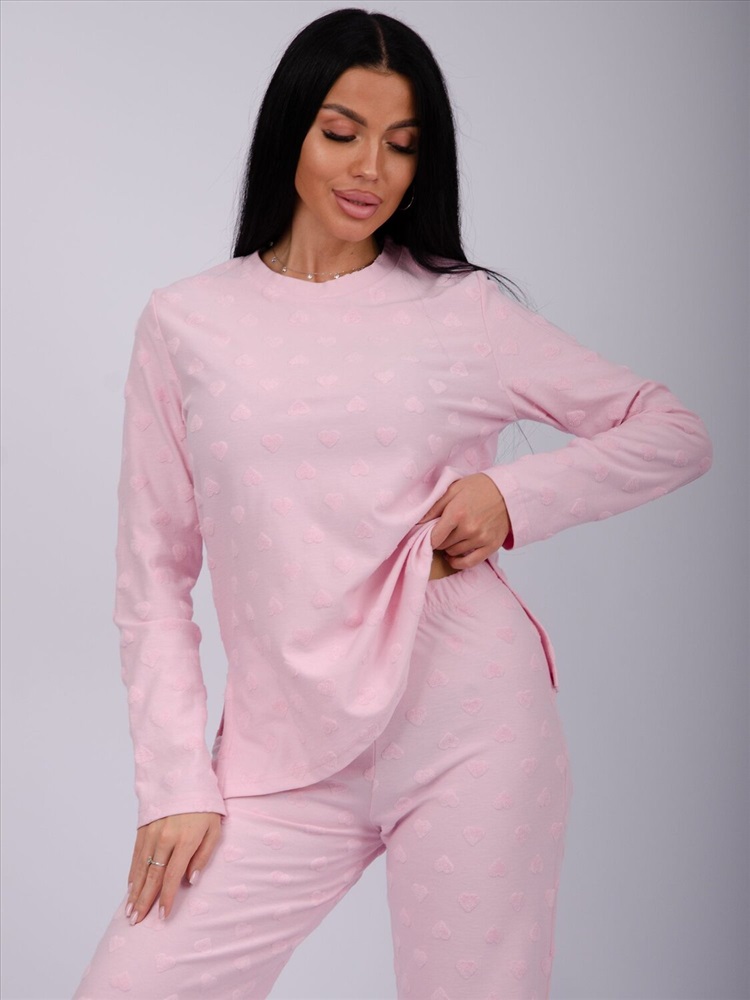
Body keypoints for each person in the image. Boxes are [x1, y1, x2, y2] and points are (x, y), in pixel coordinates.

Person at [72, 8, 713, 999]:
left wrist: (511, 495)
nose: (371, 168)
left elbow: (671, 430)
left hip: (469, 723)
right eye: (342, 132)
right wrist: (174, 782)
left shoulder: (459, 310)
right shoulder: (186, 322)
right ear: (290, 131)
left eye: (403, 144)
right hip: (282, 755)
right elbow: (152, 575)